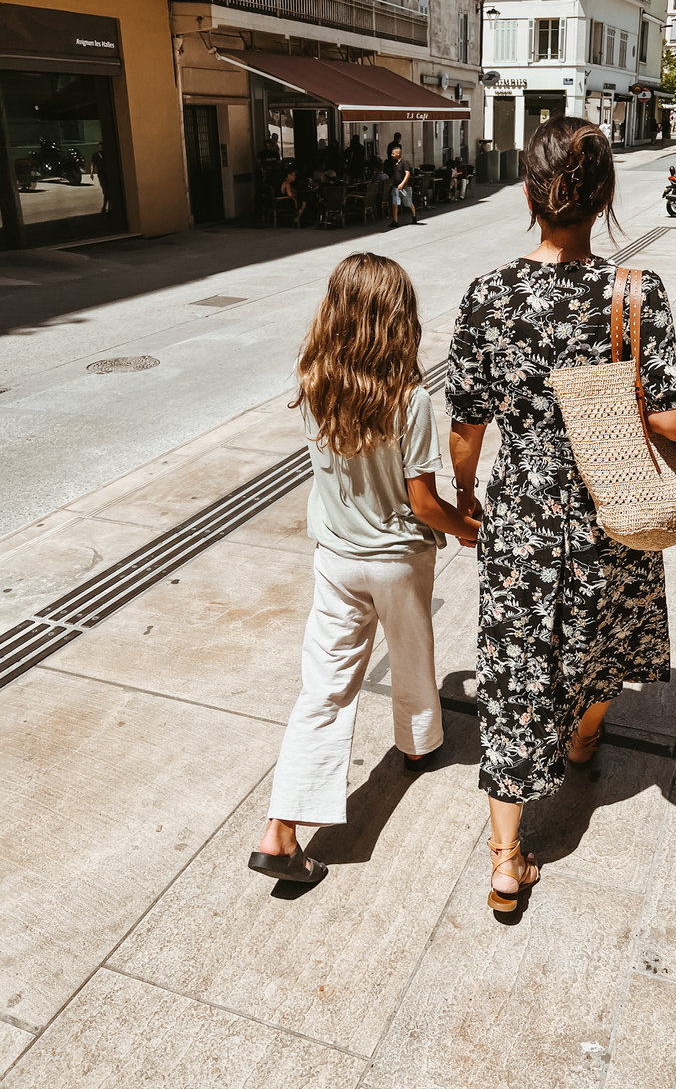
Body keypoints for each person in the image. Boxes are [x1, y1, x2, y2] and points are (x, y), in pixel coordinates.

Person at [446, 116, 676, 912]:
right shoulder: (636, 292)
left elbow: (466, 426)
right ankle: (586, 736)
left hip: (523, 513)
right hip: (608, 506)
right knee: (605, 630)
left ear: (529, 193)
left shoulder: (489, 294)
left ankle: (504, 856)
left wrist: (465, 495)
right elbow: (669, 423)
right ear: (604, 201)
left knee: (518, 667)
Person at [249, 252, 482, 884]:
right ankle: (417, 747)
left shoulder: (315, 377)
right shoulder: (410, 400)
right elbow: (423, 502)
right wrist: (469, 530)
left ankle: (282, 828)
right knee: (412, 657)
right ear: (395, 318)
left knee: (323, 689)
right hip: (398, 561)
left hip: (336, 559)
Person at [388, 143, 418, 228]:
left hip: (405, 187)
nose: (391, 155)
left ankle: (414, 216)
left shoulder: (405, 163)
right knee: (395, 204)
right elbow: (396, 174)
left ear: (398, 154)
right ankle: (395, 221)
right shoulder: (395, 164)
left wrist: (402, 184)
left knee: (408, 202)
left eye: (393, 153)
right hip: (396, 186)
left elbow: (407, 174)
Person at [89, 143, 110, 214]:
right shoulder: (95, 155)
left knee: (106, 191)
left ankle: (105, 207)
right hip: (101, 175)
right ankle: (106, 206)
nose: (101, 148)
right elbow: (92, 164)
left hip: (107, 174)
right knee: (105, 190)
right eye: (100, 147)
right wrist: (91, 173)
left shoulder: (106, 155)